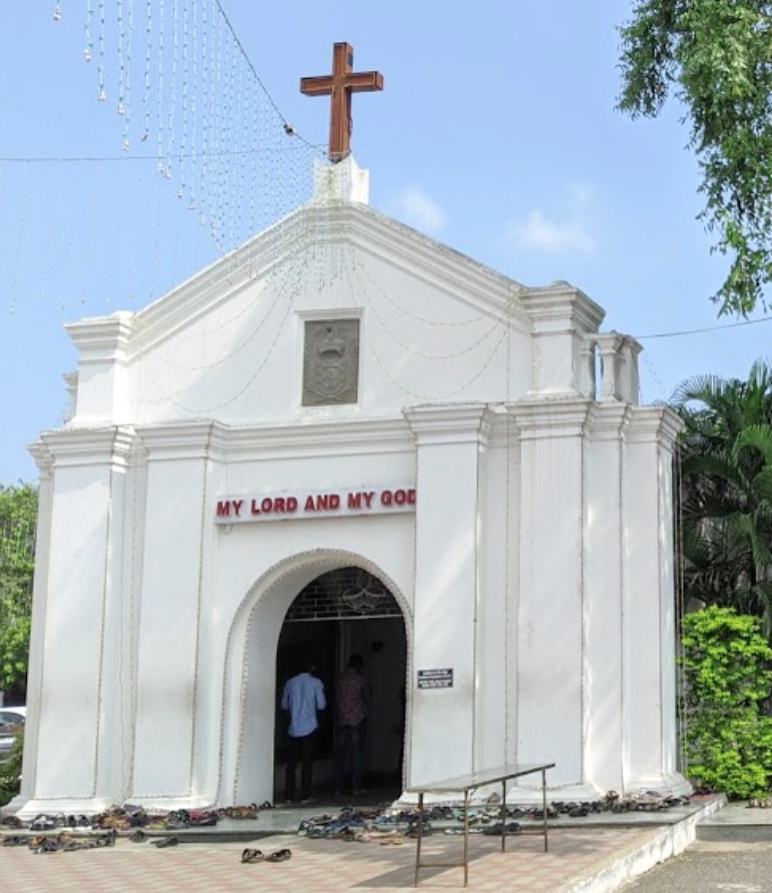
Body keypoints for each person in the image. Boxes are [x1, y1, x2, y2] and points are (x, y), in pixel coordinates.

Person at [281, 658, 326, 803]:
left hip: (293, 728)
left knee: (291, 763)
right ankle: (305, 795)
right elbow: (321, 705)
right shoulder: (316, 683)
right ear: (311, 668)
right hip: (310, 726)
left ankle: (289, 794)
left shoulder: (290, 683)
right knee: (307, 763)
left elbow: (284, 705)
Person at [335, 654, 368, 797]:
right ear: (359, 666)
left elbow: (336, 696)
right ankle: (356, 787)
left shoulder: (340, 679)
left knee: (341, 754)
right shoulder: (361, 680)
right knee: (357, 755)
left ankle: (338, 787)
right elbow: (367, 697)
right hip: (357, 719)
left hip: (342, 719)